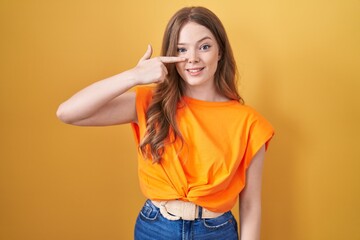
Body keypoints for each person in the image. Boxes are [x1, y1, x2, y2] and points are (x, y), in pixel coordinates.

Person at [57, 6, 274, 240]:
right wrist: (134, 76)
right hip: (155, 228)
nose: (192, 58)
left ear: (219, 52)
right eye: (182, 49)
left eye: (204, 46)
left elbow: (250, 205)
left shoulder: (249, 123)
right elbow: (68, 112)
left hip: (216, 232)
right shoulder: (151, 103)